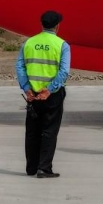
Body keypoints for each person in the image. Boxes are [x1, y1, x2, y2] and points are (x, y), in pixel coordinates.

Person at [15, 10, 70, 178]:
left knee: (32, 132)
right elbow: (63, 72)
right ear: (57, 26)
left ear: (41, 24)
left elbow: (20, 67)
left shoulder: (28, 43)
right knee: (49, 131)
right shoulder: (62, 45)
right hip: (51, 96)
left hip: (32, 95)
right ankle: (44, 168)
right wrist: (50, 90)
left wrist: (27, 88)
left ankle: (31, 168)